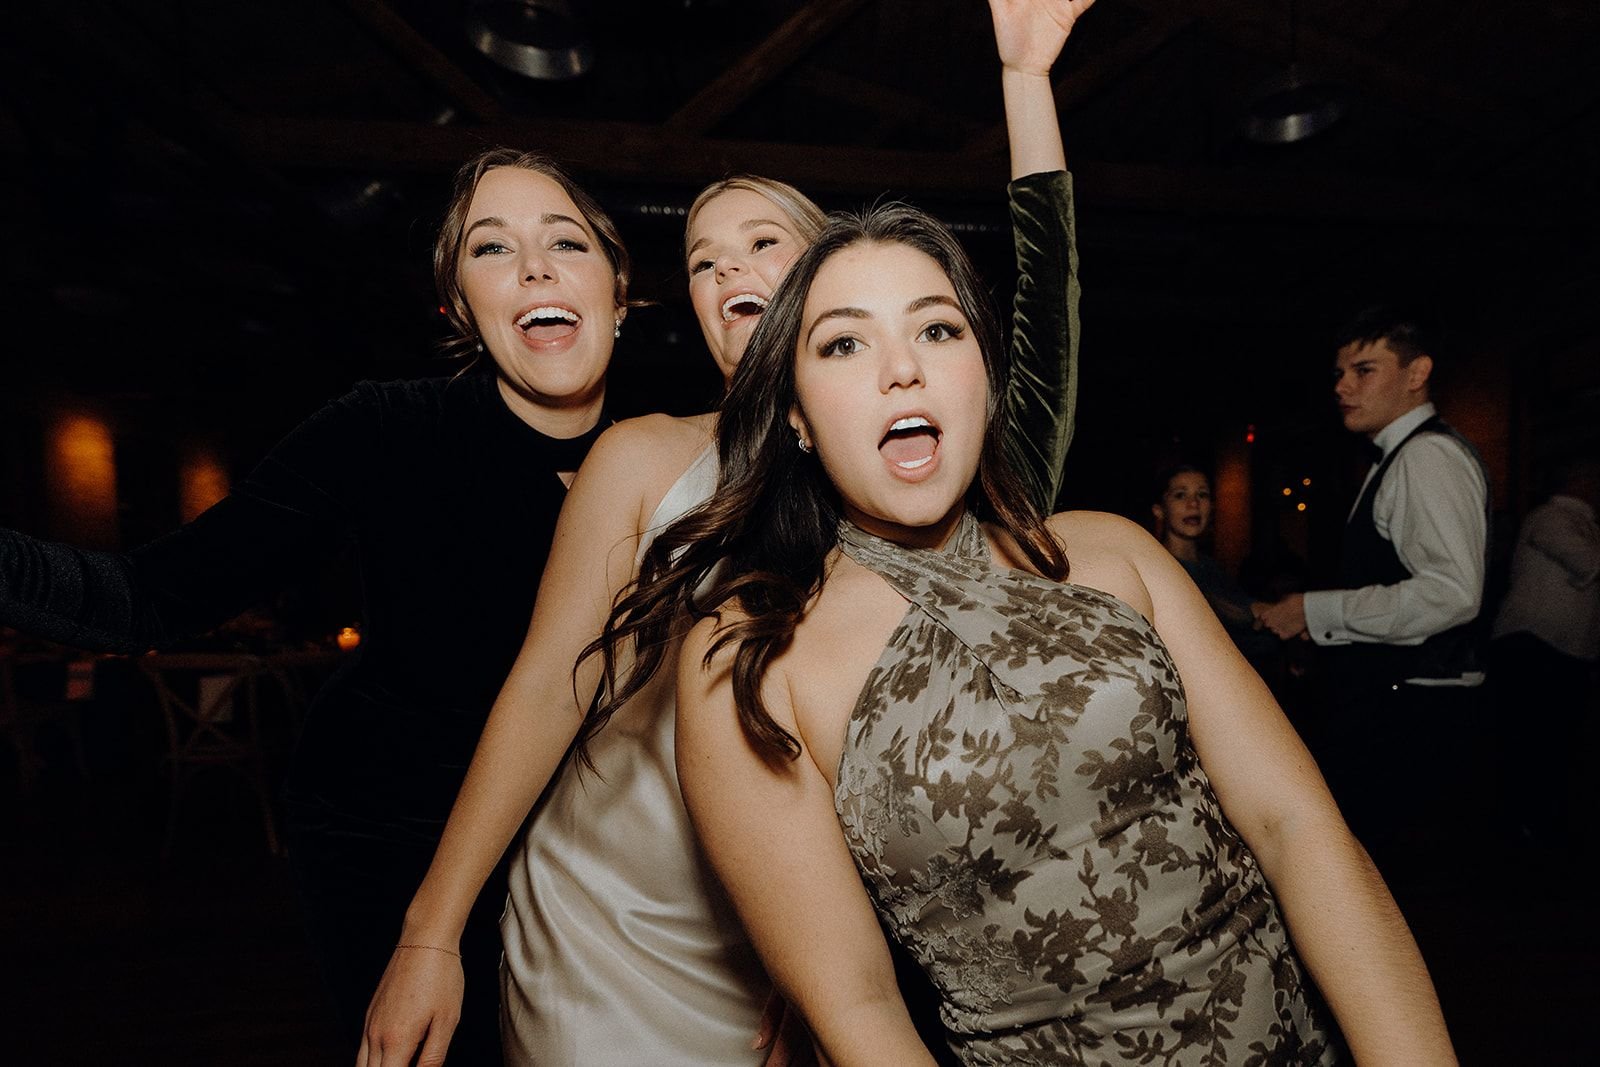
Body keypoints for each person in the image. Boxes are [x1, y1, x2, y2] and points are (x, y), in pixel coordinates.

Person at [359, 3, 1088, 1063]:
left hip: (772, 935)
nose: (729, 272)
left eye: (760, 244)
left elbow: (1044, 349)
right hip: (601, 918)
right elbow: (545, 687)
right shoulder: (640, 456)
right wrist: (431, 931)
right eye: (702, 262)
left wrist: (1025, 83)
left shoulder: (897, 489)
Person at [620, 203, 1459, 1065]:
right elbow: (858, 1011)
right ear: (796, 414)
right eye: (844, 343)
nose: (902, 369)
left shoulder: (1112, 551)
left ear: (984, 375)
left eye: (937, 329)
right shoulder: (751, 667)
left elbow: (1299, 828)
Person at [0, 148, 633, 1061]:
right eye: (491, 248)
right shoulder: (387, 430)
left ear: (619, 290)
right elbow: (146, 597)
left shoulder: (676, 464)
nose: (534, 266)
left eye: (565, 241)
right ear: (461, 309)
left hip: (595, 849)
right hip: (391, 836)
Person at [1254, 308, 1489, 851]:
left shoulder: (1425, 456)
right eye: (1339, 373)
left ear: (1417, 372)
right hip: (1402, 704)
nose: (1342, 387)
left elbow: (1452, 593)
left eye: (1364, 371)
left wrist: (1314, 610)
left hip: (1413, 711)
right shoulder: (1399, 456)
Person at [1490, 456, 1600, 844]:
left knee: (1555, 744)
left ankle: (1539, 825)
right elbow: (1589, 562)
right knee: (1531, 742)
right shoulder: (1552, 517)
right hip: (1533, 647)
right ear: (1576, 480)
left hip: (1563, 653)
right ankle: (1519, 828)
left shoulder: (1584, 523)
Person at [1151, 464, 1282, 680]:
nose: (1193, 503)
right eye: (1180, 495)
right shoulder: (1159, 564)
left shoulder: (1210, 566)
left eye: (1202, 494)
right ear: (1159, 509)